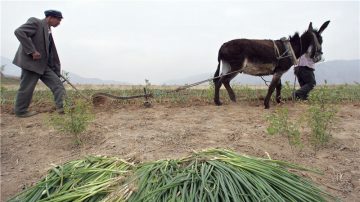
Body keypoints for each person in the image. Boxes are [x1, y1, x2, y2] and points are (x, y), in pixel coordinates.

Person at [13, 10, 66, 118]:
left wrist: (56, 70)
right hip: (32, 64)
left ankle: (63, 108)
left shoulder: (48, 31)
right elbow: (19, 32)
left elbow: (50, 52)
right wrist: (32, 51)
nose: (59, 23)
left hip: (44, 66)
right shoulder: (36, 22)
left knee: (57, 84)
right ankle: (21, 111)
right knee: (27, 88)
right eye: (58, 20)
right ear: (50, 17)